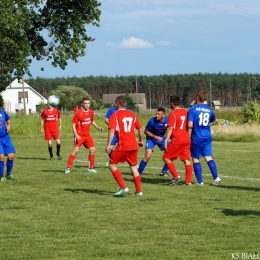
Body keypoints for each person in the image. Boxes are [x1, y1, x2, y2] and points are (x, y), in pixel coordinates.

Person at [106, 95, 144, 197]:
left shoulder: (115, 115)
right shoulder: (132, 114)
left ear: (116, 104)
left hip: (123, 145)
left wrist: (109, 144)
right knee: (133, 167)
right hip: (133, 144)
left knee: (112, 165)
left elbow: (112, 130)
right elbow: (140, 129)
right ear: (125, 104)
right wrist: (140, 141)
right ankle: (139, 191)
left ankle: (123, 188)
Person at [188, 91, 221, 185]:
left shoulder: (193, 109)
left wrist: (196, 125)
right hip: (207, 137)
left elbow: (190, 125)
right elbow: (213, 121)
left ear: (197, 98)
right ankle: (216, 177)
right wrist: (206, 125)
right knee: (208, 157)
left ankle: (200, 181)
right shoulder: (209, 109)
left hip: (196, 137)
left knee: (195, 158)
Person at [65, 97, 103, 174]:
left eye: (88, 103)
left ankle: (91, 168)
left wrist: (98, 127)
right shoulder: (79, 113)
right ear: (82, 104)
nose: (87, 105)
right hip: (79, 135)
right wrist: (76, 135)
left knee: (93, 150)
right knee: (75, 151)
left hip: (87, 135)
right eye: (85, 103)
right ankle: (68, 168)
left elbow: (92, 121)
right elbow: (73, 125)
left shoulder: (91, 112)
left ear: (90, 104)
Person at [163, 96, 193, 186]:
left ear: (172, 103)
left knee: (166, 157)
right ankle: (188, 182)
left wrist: (166, 140)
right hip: (186, 139)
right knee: (187, 160)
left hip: (177, 139)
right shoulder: (186, 112)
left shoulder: (173, 113)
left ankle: (176, 176)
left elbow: (170, 127)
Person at [138, 107, 170, 177]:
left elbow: (171, 128)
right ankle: (138, 174)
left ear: (163, 115)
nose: (156, 115)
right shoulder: (152, 121)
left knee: (171, 152)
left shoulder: (168, 119)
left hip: (161, 138)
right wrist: (155, 137)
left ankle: (164, 171)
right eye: (156, 114)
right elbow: (146, 131)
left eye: (158, 114)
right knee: (148, 156)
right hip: (151, 139)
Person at [0, 110, 16, 181]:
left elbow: (8, 120)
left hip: (6, 137)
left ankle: (8, 174)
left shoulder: (2, 112)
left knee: (11, 156)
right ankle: (1, 176)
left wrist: (9, 125)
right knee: (1, 156)